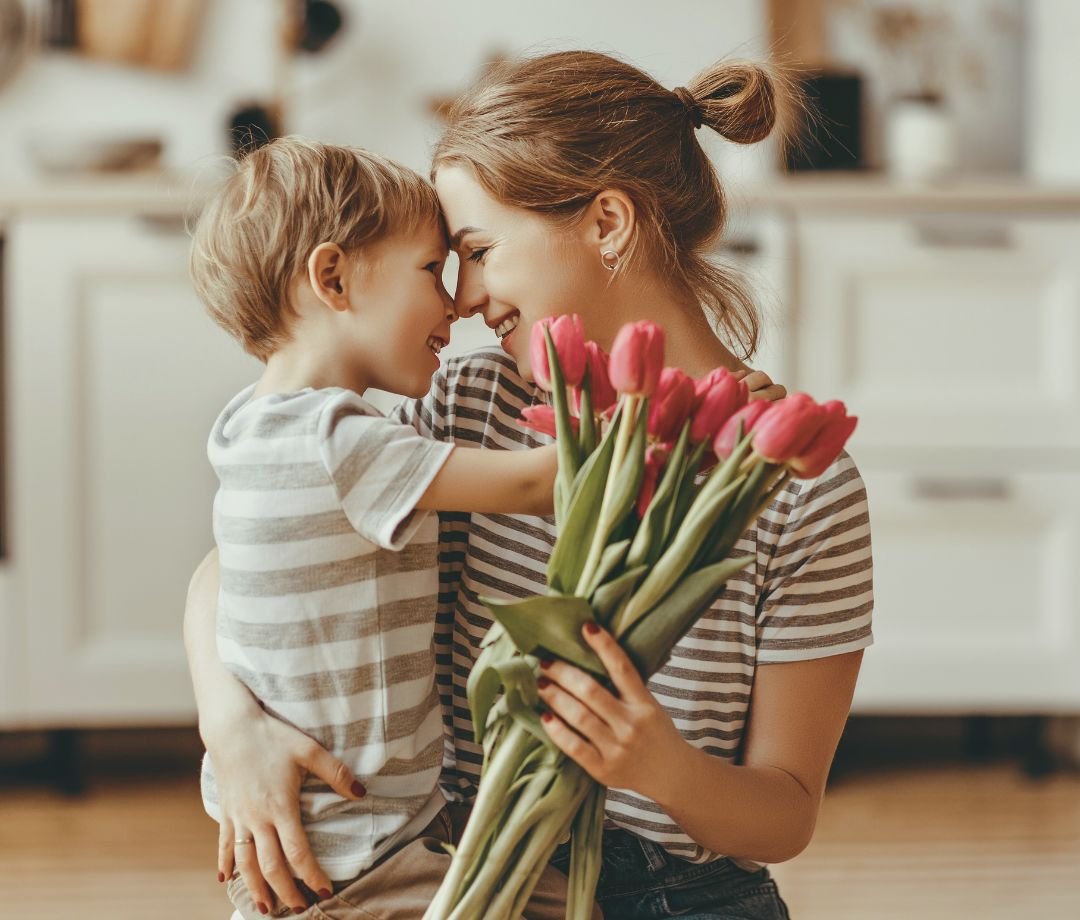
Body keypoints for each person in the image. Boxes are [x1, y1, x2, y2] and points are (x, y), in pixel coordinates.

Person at [185, 52, 873, 920]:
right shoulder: (469, 402)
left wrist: (657, 763)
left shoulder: (796, 487)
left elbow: (784, 816)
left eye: (476, 251)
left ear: (608, 222)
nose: (463, 298)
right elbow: (245, 558)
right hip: (457, 868)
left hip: (674, 895)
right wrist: (231, 726)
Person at [188, 136, 587, 919]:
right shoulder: (341, 442)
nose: (452, 303)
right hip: (359, 853)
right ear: (332, 278)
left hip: (331, 839)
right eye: (430, 269)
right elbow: (543, 484)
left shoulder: (250, 425)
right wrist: (684, 405)